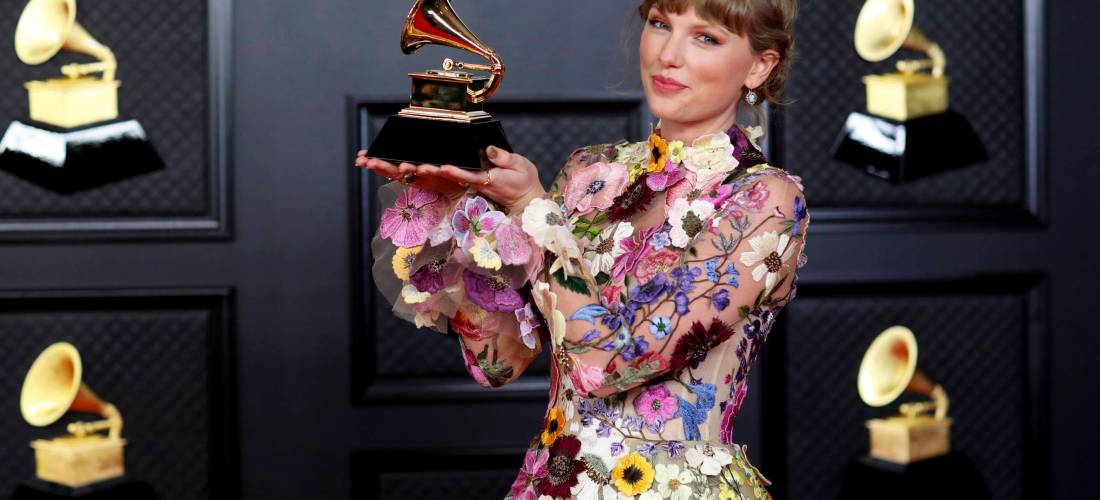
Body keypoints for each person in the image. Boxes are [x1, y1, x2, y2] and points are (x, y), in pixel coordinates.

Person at [358, 0, 805, 497]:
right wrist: (455, 204)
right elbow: (495, 363)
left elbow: (610, 365)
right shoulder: (590, 173)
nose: (668, 55)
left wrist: (531, 208)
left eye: (706, 38)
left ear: (760, 66)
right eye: (660, 24)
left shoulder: (765, 200)